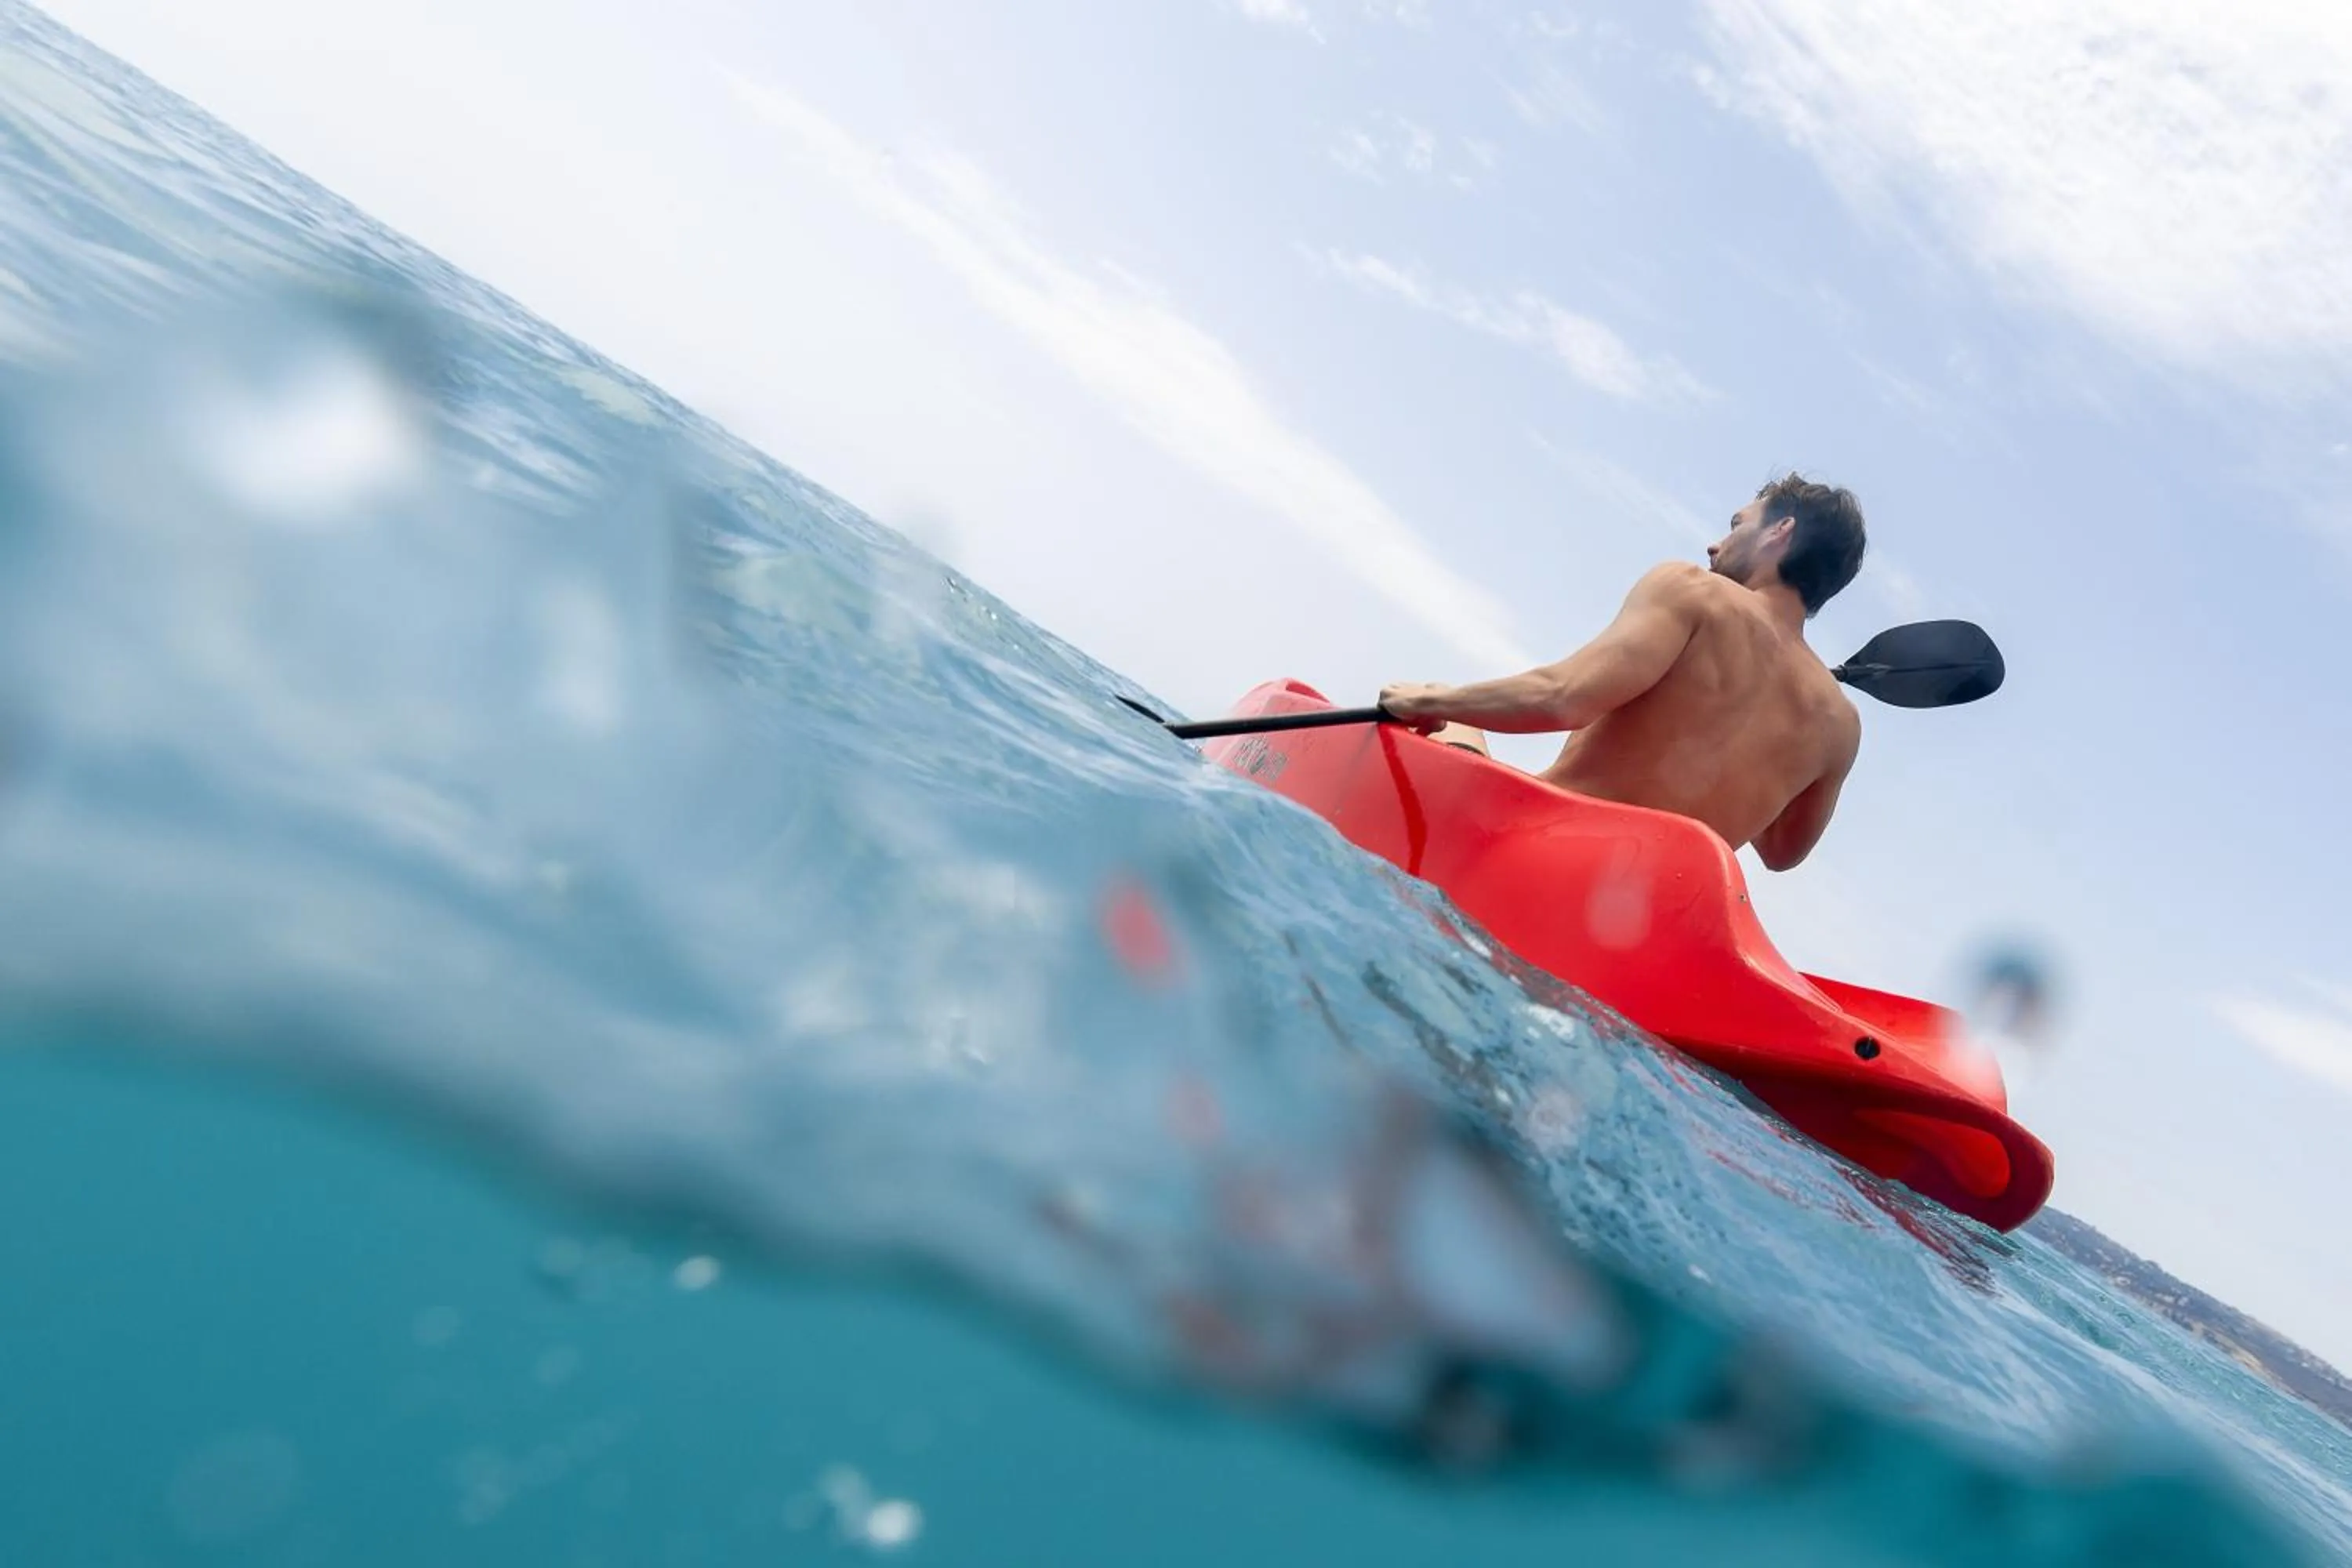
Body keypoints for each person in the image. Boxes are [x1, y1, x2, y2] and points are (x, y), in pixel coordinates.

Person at [1377, 474, 1867, 871]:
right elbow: (1782, 853)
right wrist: (1759, 744)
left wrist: (1428, 701)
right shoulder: (1839, 724)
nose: (1715, 545)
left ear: (1779, 532)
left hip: (1539, 848)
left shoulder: (1695, 592)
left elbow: (1562, 697)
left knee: (1453, 720)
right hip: (1635, 910)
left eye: (1736, 525)